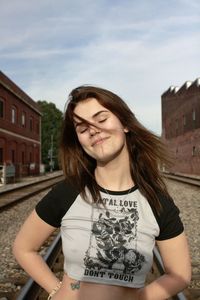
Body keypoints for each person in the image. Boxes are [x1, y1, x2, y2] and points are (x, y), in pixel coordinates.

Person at [13, 86, 191, 300]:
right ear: (79, 140)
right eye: (82, 128)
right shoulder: (69, 191)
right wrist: (55, 291)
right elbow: (23, 248)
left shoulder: (156, 201)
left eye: (101, 119)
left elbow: (180, 274)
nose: (93, 130)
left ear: (125, 124)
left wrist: (140, 298)